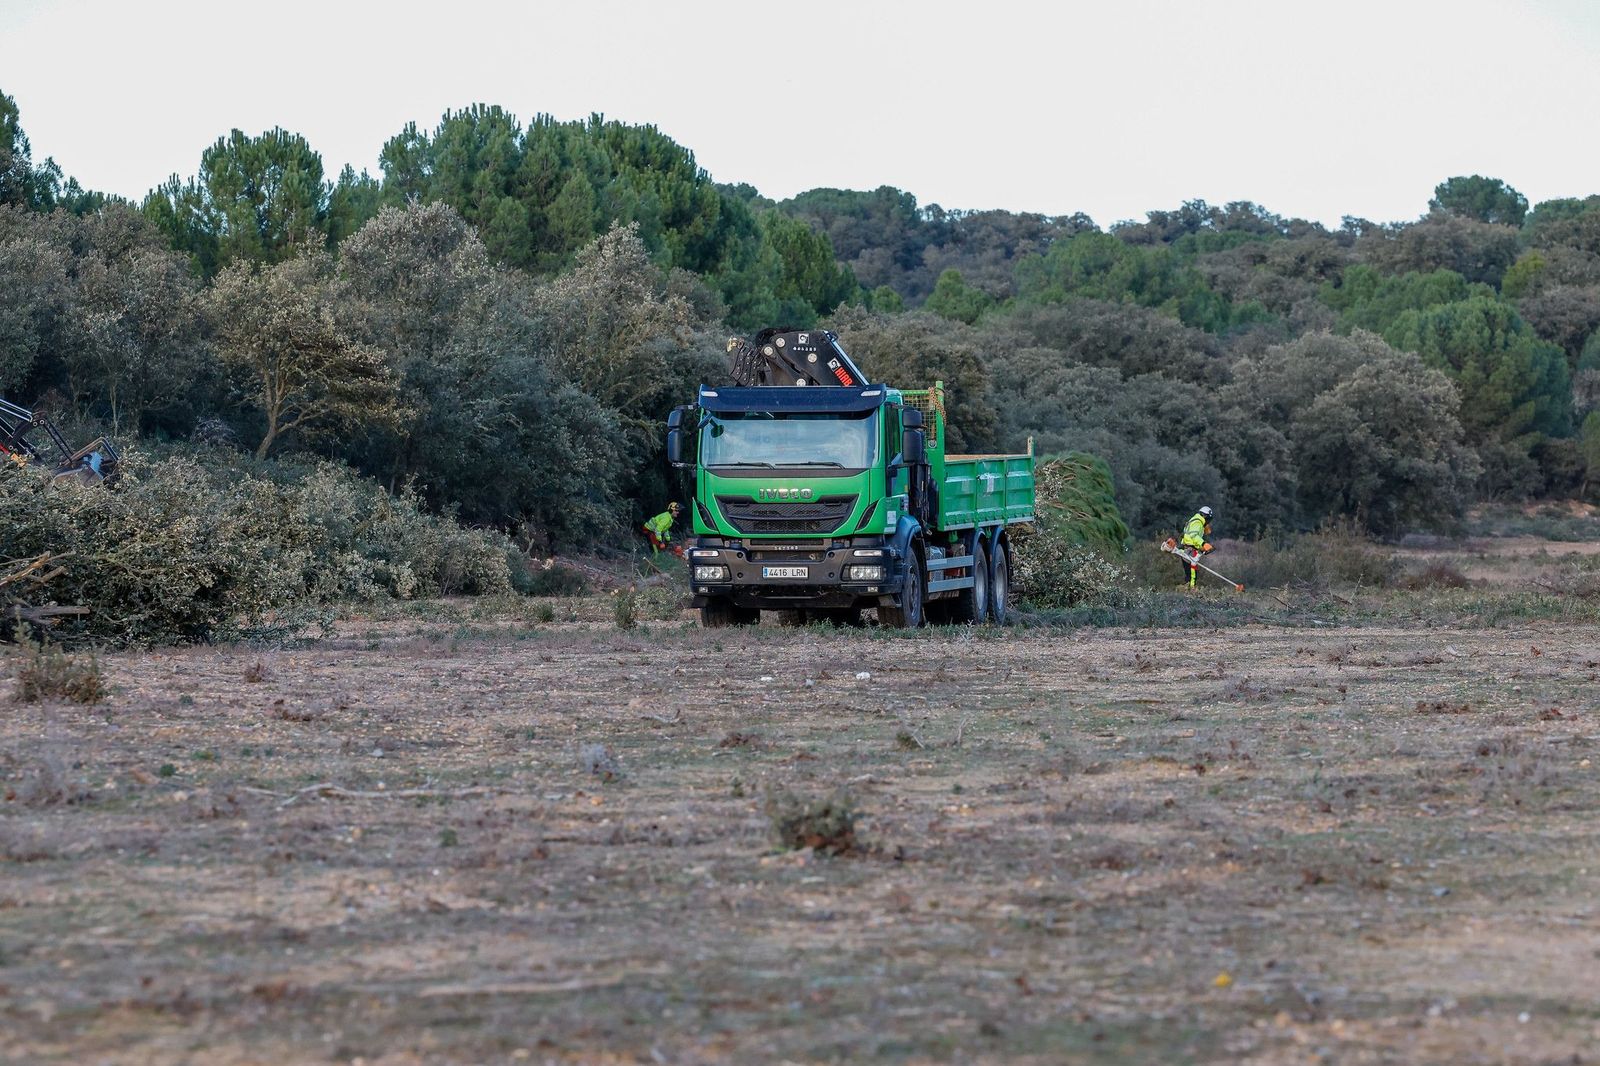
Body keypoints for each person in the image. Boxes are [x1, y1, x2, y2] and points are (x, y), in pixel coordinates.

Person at [1179, 505, 1215, 589]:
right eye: (1209, 519)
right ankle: (1191, 591)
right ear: (1205, 516)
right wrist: (1203, 544)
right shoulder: (1198, 522)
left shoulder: (1196, 520)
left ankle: (1188, 590)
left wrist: (1201, 548)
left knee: (1190, 574)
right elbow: (1193, 536)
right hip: (1189, 549)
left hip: (1189, 548)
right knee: (1192, 574)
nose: (1208, 522)